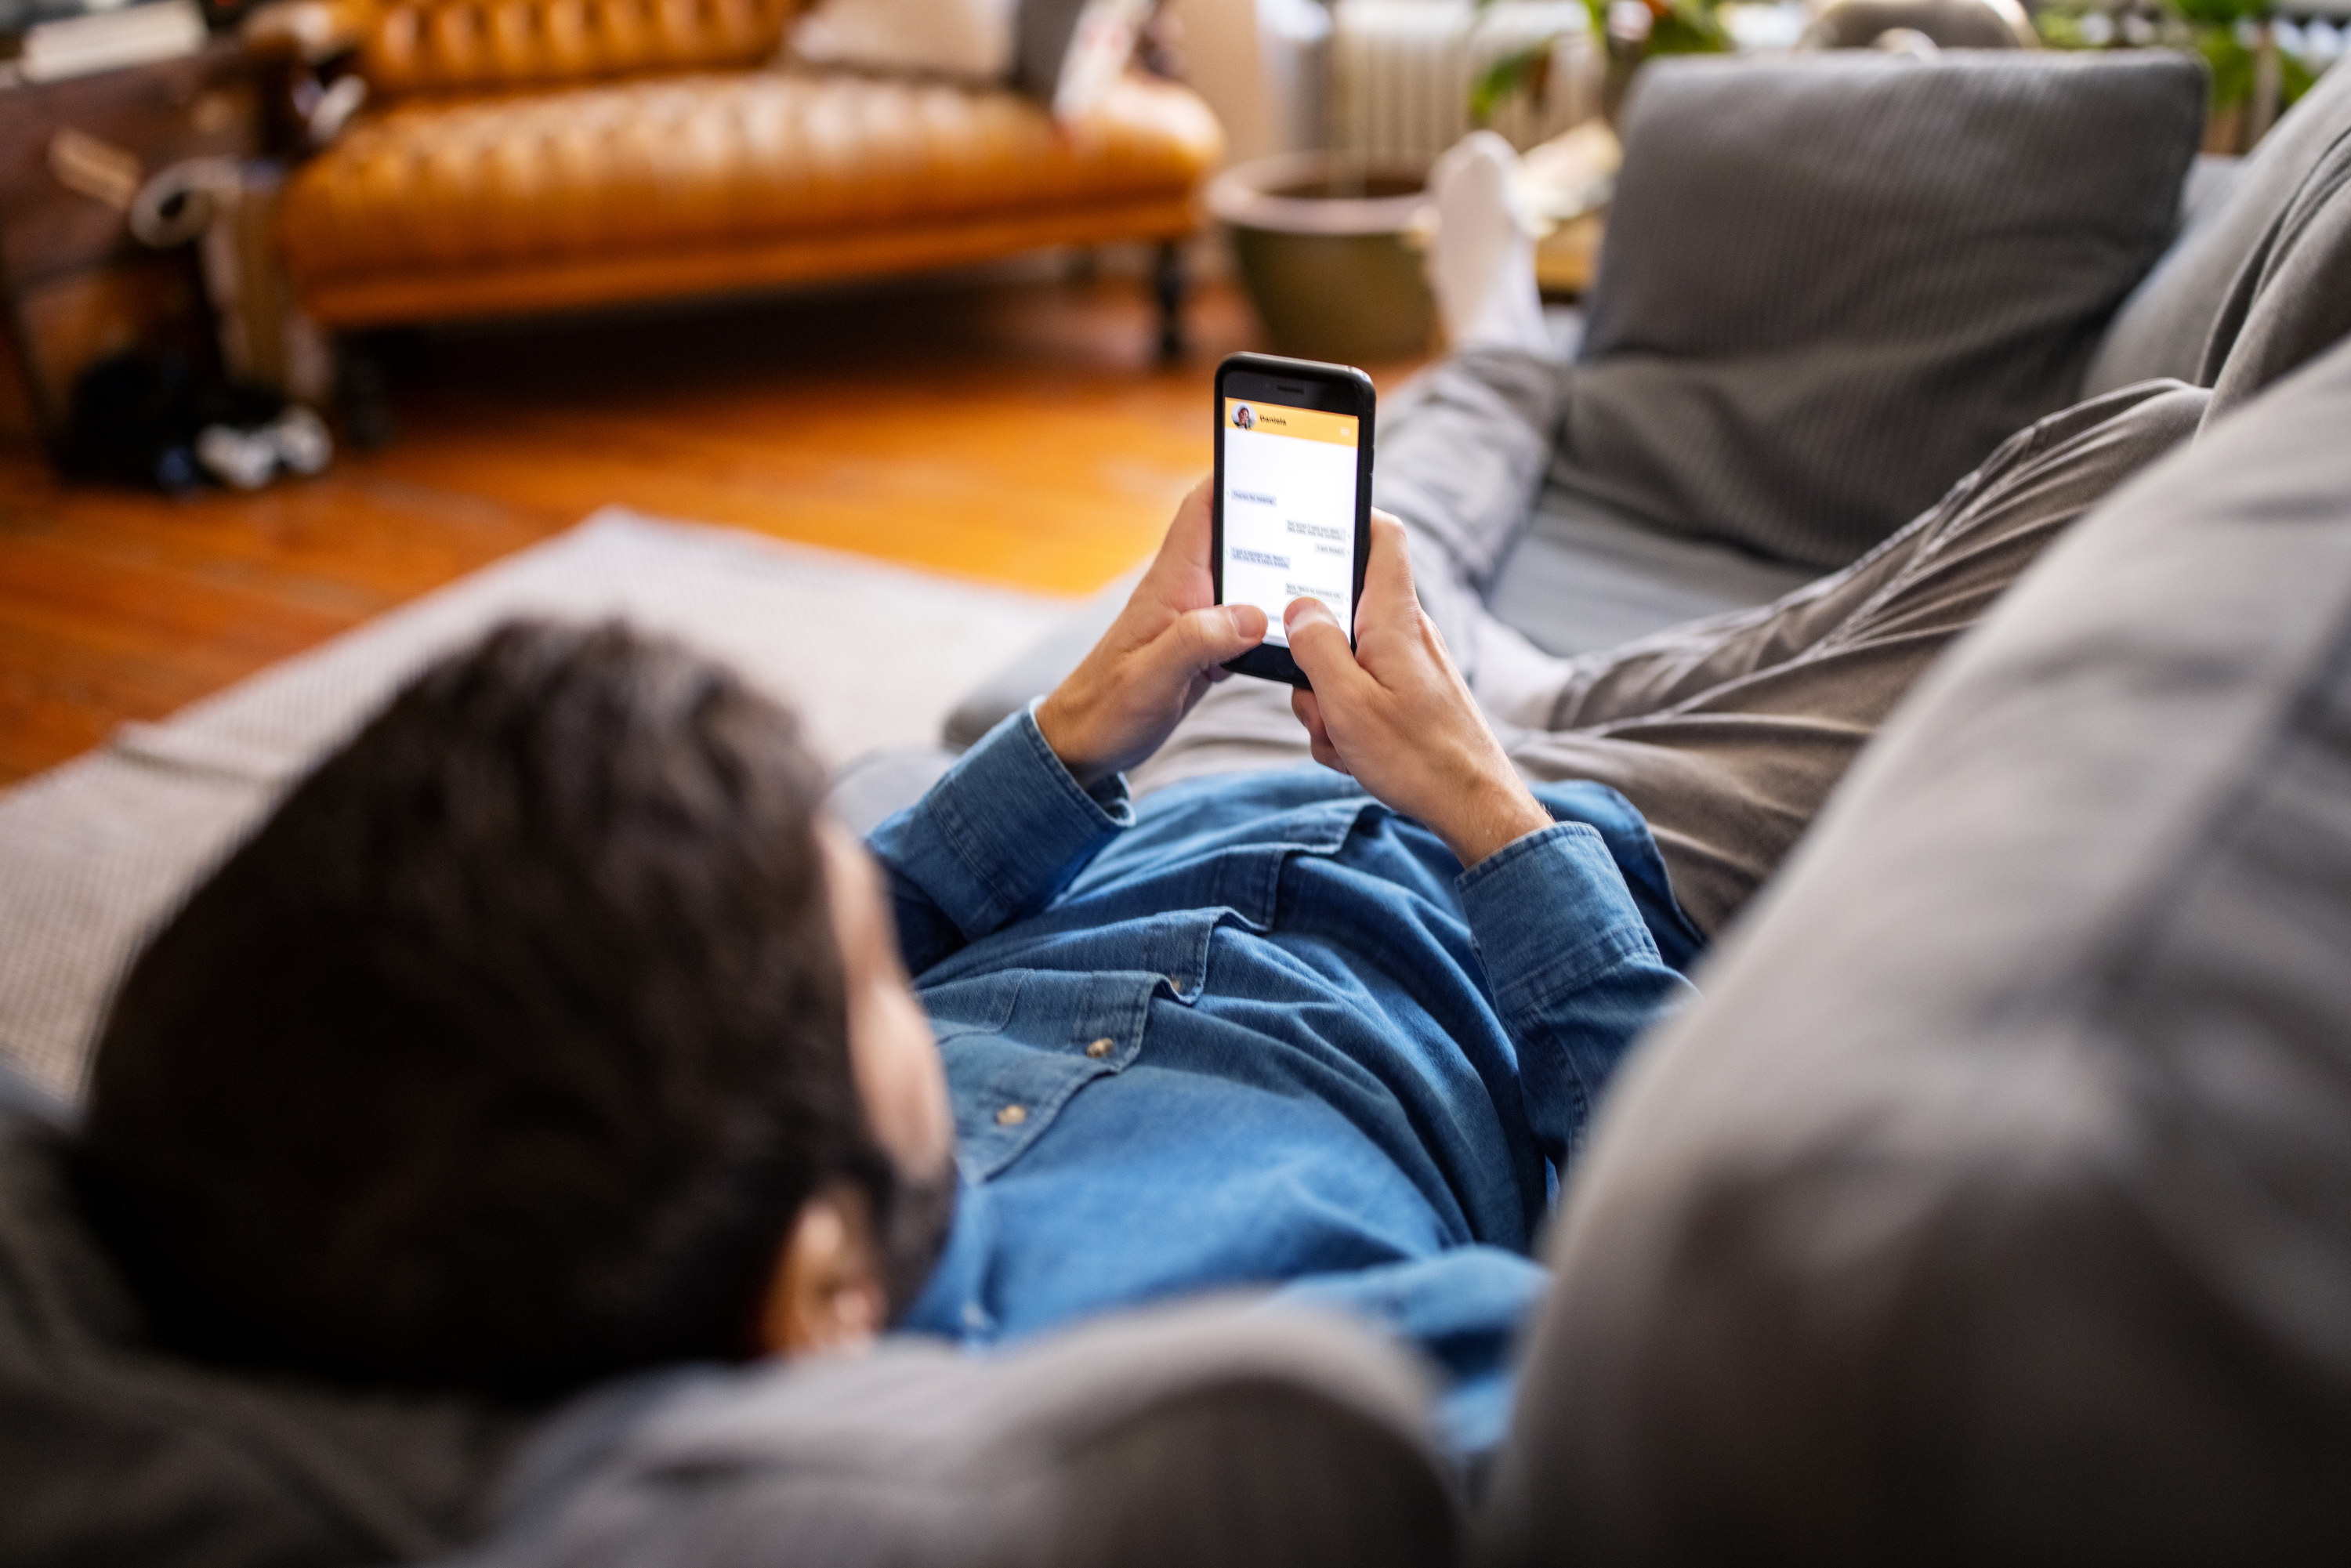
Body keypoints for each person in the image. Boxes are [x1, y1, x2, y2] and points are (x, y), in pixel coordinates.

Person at [69, 130, 2208, 1545]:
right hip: (1542, 880)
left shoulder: (622, 1140)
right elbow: (1691, 1219)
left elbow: (820, 937)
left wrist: (1093, 723)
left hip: (1195, 781)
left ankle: (1496, 352)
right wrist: (1483, 805)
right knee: (2140, 463)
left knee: (1388, 533)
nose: (893, 914)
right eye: (861, 976)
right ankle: (1499, 394)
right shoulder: (1279, 1396)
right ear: (818, 1282)